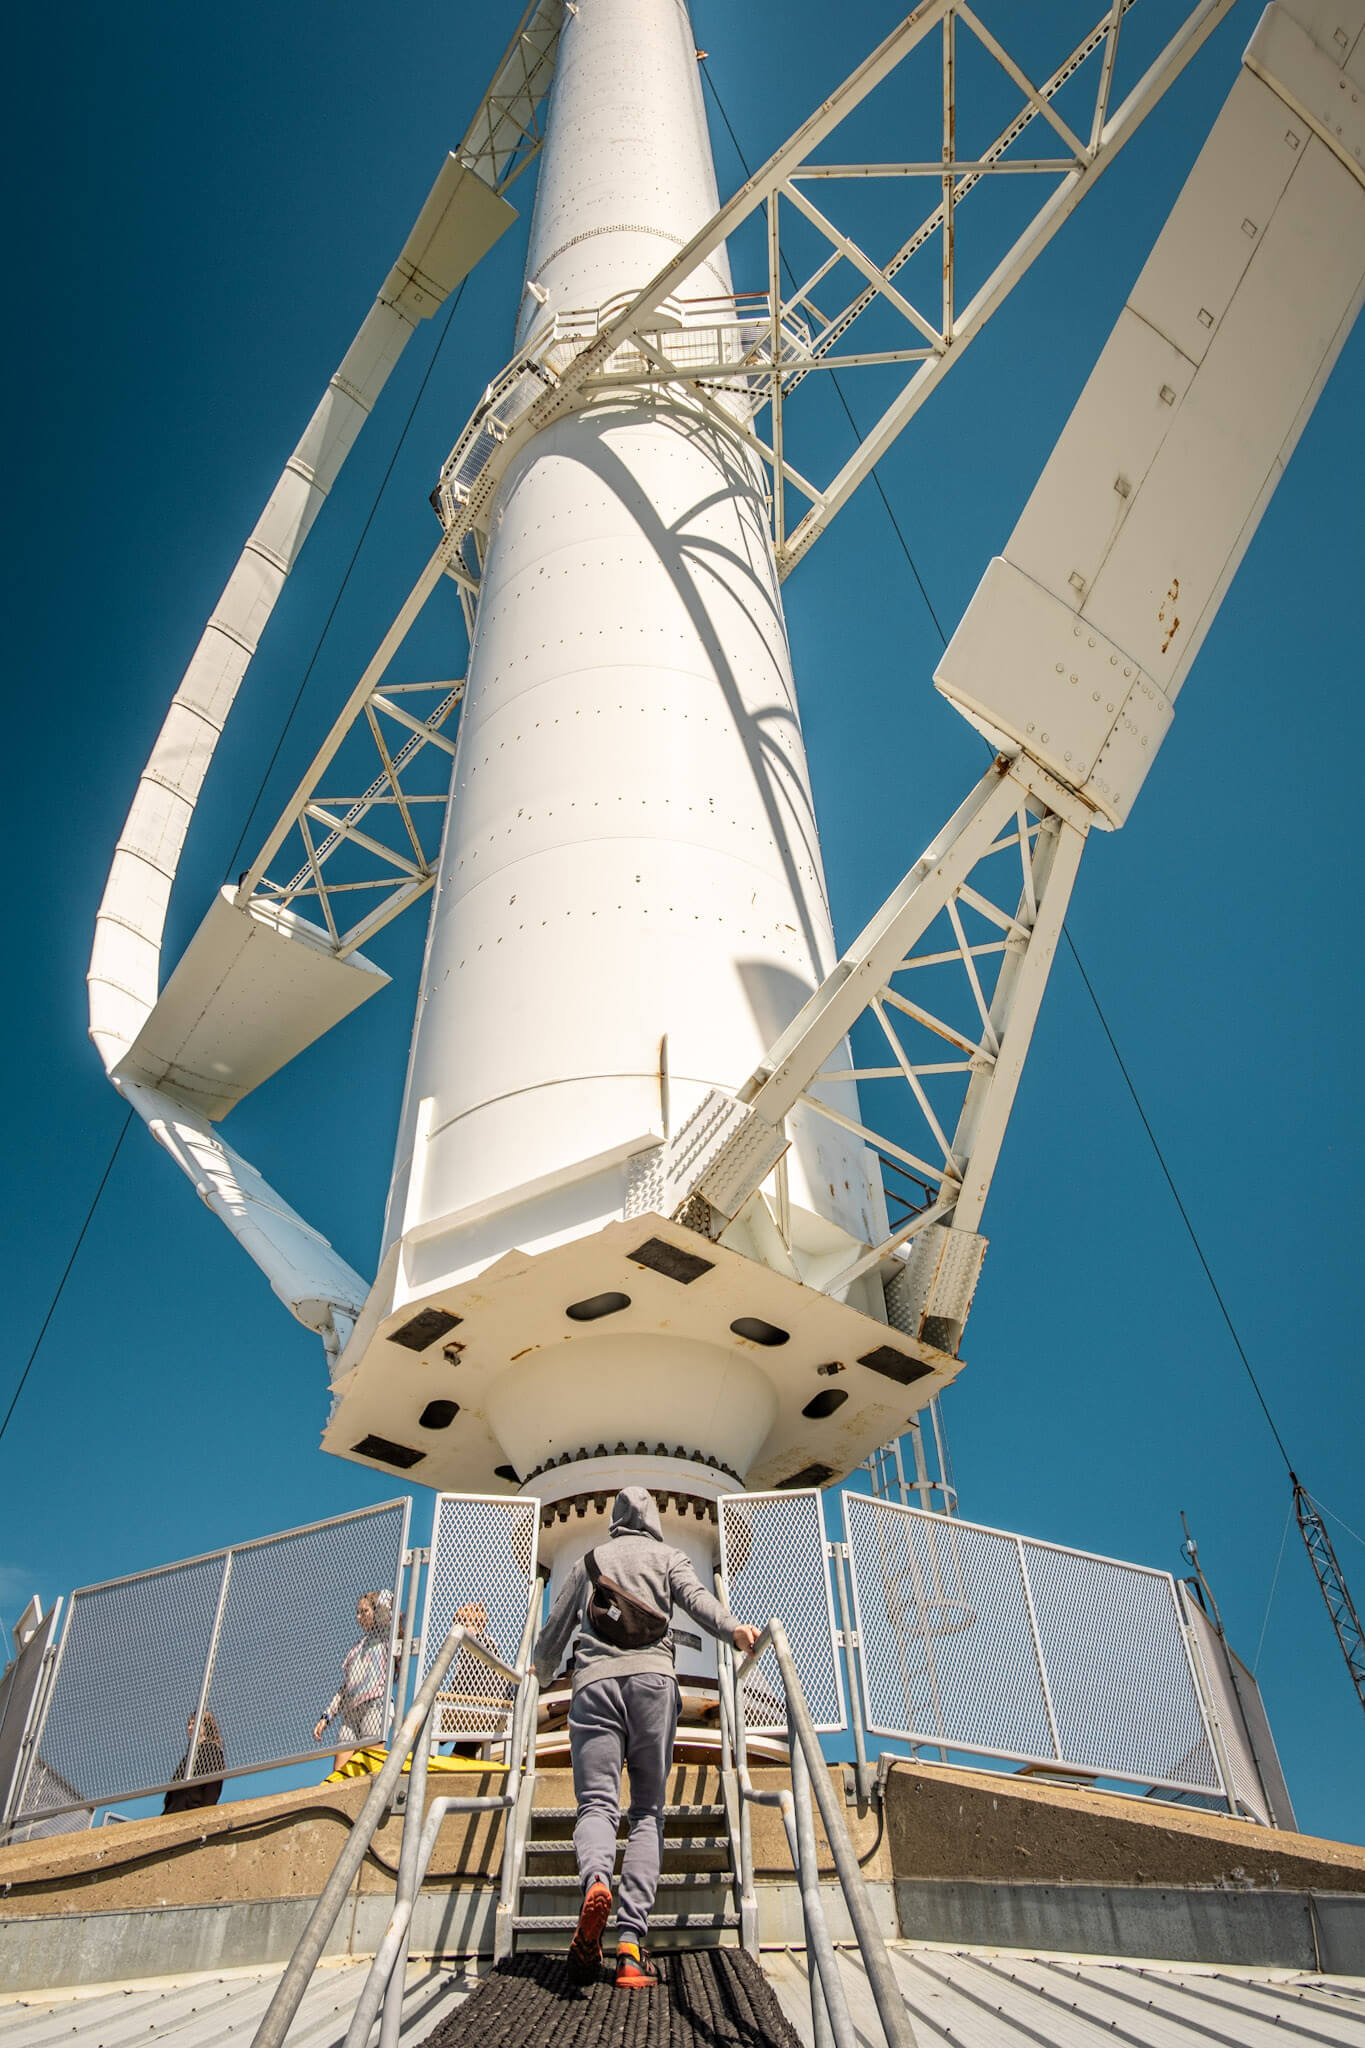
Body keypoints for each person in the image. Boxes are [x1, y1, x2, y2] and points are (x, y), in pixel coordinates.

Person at [532, 1486, 759, 1990]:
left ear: (613, 1518)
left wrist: (540, 1674)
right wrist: (736, 1631)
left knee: (595, 1805)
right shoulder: (669, 1556)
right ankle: (632, 1946)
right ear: (654, 1517)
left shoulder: (589, 1560)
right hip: (655, 1684)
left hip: (592, 1687)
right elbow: (699, 1603)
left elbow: (553, 1630)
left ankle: (595, 1883)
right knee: (647, 1813)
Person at [314, 1589, 395, 1771]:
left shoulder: (384, 1635)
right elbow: (345, 1688)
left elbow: (386, 1600)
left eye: (364, 1611)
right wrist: (327, 1717)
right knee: (340, 1770)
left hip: (375, 1705)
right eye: (358, 1613)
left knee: (370, 1764)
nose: (359, 1617)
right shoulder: (356, 1649)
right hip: (350, 1713)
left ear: (376, 1611)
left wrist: (376, 1600)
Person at [162, 1709, 225, 1815]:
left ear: (205, 1727)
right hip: (174, 1812)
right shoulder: (187, 1757)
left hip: (192, 1810)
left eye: (194, 1723)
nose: (189, 1728)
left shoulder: (212, 1750)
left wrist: (205, 1812)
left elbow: (213, 1786)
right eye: (189, 1724)